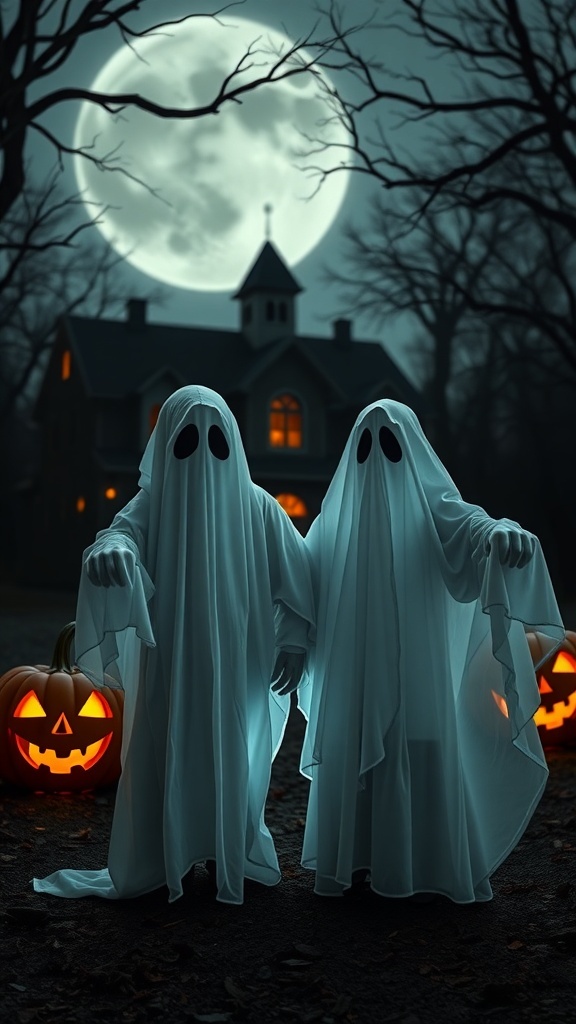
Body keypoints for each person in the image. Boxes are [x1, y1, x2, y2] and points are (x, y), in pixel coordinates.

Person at [34, 385, 315, 905]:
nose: (203, 452)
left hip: (240, 660)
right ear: (166, 443)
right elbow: (120, 533)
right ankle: (168, 851)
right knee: (168, 744)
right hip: (172, 660)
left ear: (233, 439)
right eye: (187, 438)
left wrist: (294, 640)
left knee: (233, 751)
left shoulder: (258, 507)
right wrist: (112, 550)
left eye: (217, 439)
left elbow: (298, 574)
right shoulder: (154, 502)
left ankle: (226, 847)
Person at [290, 399, 564, 902]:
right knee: (360, 754)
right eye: (365, 446)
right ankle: (357, 858)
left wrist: (500, 532)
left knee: (417, 748)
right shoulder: (332, 527)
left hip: (419, 676)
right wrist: (290, 638)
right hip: (355, 683)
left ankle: (424, 861)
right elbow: (301, 585)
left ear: (413, 451)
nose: (378, 459)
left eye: (391, 446)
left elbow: (470, 525)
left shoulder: (434, 513)